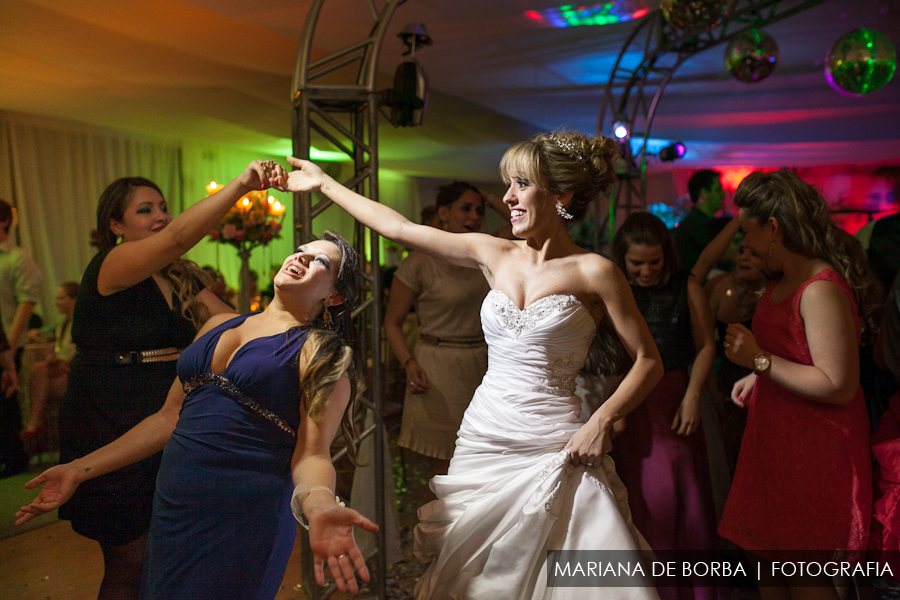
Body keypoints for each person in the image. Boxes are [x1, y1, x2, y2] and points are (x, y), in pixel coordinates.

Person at [282, 130, 665, 599]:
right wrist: (324, 183)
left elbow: (648, 361)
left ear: (561, 194)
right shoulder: (492, 252)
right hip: (483, 435)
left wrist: (602, 419)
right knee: (474, 576)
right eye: (507, 185)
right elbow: (399, 229)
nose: (506, 198)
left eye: (520, 184)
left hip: (553, 441)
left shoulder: (596, 272)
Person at [17, 231, 378, 598]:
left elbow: (313, 453)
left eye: (319, 261)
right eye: (301, 250)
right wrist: (80, 468)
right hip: (176, 503)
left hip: (243, 514)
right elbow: (167, 419)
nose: (301, 257)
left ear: (335, 296)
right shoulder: (218, 324)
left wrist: (319, 506)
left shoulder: (322, 352)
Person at [53, 163, 279, 600]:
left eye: (162, 206)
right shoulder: (111, 263)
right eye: (144, 210)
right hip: (107, 413)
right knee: (128, 557)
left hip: (164, 415)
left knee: (163, 548)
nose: (160, 215)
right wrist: (242, 185)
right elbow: (176, 237)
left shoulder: (180, 274)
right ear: (115, 226)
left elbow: (228, 322)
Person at [720, 170, 873, 600]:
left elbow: (839, 383)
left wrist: (759, 361)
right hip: (775, 441)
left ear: (773, 228)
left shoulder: (819, 288)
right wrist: (758, 373)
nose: (743, 243)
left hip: (815, 449)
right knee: (769, 568)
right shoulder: (781, 280)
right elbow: (801, 354)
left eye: (748, 231)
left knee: (806, 579)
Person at [609, 212, 721, 600]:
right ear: (621, 257)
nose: (646, 271)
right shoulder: (613, 285)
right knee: (640, 498)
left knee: (679, 497)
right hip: (629, 401)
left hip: (674, 396)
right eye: (636, 263)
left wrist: (692, 394)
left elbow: (707, 344)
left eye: (654, 262)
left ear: (666, 255)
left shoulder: (684, 284)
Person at [386, 181, 509, 479]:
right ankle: (441, 526)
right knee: (443, 469)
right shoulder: (419, 262)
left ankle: (476, 527)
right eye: (465, 208)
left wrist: (488, 196)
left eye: (479, 211)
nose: (474, 217)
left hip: (483, 365)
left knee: (484, 466)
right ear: (443, 212)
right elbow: (392, 323)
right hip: (437, 369)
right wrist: (408, 363)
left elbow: (526, 226)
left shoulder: (487, 252)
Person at [0, 198, 42, 476]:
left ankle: (14, 460)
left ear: (4, 222)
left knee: (7, 404)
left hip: (7, 342)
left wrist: (10, 343)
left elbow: (26, 303)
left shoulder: (17, 258)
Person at [20, 281, 80, 454]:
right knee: (40, 371)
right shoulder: (63, 326)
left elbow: (78, 357)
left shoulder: (80, 324)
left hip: (75, 374)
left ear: (75, 300)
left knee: (39, 378)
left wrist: (61, 362)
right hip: (64, 373)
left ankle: (35, 425)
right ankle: (38, 426)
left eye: (61, 298)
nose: (56, 303)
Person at [674, 170, 724, 273]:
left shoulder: (695, 222)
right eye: (718, 190)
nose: (723, 194)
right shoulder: (697, 225)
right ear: (703, 194)